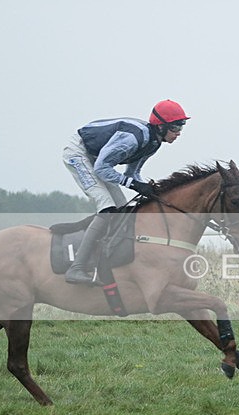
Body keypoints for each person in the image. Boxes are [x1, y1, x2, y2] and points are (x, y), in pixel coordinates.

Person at [62, 99, 189, 284]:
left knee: (122, 211)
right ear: (161, 126)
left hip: (98, 159)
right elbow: (101, 169)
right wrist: (134, 185)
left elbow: (132, 173)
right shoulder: (133, 139)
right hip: (79, 154)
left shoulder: (153, 143)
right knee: (107, 208)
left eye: (181, 127)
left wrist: (150, 189)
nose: (178, 133)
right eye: (176, 127)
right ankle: (77, 268)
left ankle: (106, 257)